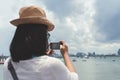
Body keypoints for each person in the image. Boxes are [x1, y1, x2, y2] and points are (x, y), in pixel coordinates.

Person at [3, 5, 79, 80]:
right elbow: (75, 78)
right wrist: (65, 54)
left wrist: (43, 56)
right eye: (47, 34)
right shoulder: (53, 65)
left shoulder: (8, 64)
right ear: (41, 36)